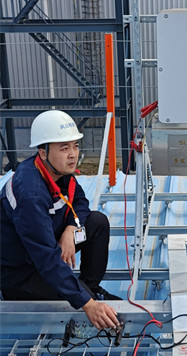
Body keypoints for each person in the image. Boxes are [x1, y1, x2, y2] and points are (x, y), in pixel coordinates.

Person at [0, 110, 121, 330]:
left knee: (96, 223)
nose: (73, 154)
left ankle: (89, 287)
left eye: (75, 146)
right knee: (78, 295)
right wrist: (87, 304)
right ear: (43, 153)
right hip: (22, 271)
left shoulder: (57, 170)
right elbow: (46, 258)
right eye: (64, 148)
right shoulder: (30, 194)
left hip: (50, 243)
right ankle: (86, 294)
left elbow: (81, 202)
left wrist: (70, 229)